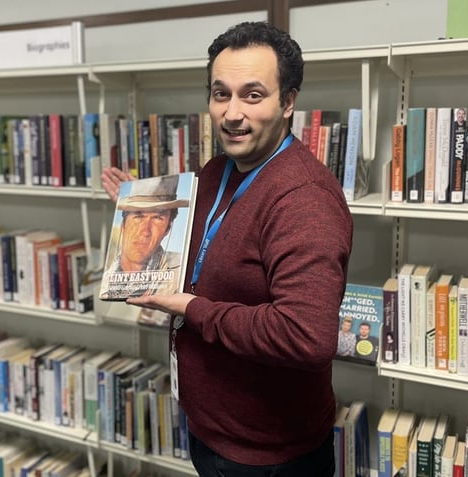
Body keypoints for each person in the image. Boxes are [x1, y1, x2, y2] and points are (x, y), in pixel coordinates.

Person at [101, 21, 353, 475]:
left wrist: (193, 309)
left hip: (267, 455)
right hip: (212, 427)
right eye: (221, 94)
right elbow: (203, 241)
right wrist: (136, 210)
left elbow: (307, 337)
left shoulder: (304, 198)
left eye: (253, 95)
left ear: (288, 102)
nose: (232, 113)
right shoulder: (218, 170)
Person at [99, 174, 189, 300]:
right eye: (138, 216)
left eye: (157, 218)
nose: (145, 231)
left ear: (167, 229)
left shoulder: (182, 272)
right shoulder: (106, 280)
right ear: (123, 224)